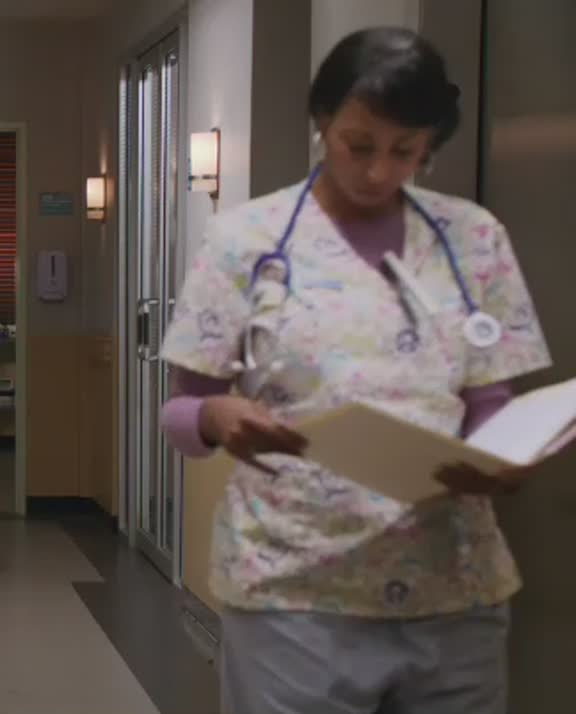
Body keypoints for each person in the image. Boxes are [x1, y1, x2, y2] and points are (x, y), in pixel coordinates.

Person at [159, 28, 557, 714]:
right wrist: (216, 417)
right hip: (294, 589)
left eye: (406, 151)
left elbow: (490, 397)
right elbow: (181, 411)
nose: (378, 172)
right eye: (359, 145)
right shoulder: (246, 240)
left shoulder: (473, 237)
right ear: (322, 122)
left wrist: (505, 457)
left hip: (452, 588)